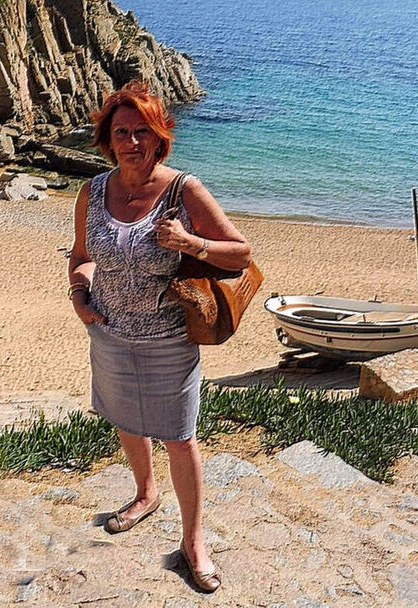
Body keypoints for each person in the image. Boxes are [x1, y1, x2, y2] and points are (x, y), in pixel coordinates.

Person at [69, 80, 251, 592]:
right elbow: (81, 257)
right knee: (126, 420)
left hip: (170, 340)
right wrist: (79, 296)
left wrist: (191, 242)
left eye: (142, 132)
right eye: (121, 132)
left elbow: (241, 253)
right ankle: (145, 494)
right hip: (109, 334)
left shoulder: (183, 190)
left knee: (179, 437)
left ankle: (193, 542)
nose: (132, 142)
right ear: (108, 140)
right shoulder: (93, 191)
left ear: (159, 136)